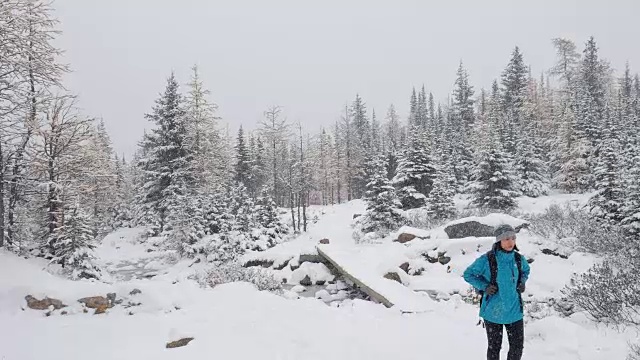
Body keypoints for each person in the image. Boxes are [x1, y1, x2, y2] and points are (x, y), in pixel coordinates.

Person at [463, 224, 531, 360]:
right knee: (494, 347)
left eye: (513, 238)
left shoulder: (518, 259)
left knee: (517, 347)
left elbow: (526, 270)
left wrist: (522, 281)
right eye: (506, 239)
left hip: (514, 310)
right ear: (498, 240)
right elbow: (468, 274)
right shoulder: (488, 259)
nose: (510, 242)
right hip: (493, 311)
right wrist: (484, 286)